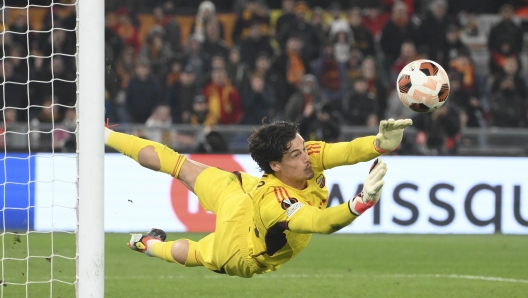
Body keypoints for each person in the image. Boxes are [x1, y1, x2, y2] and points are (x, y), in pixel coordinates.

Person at [104, 117, 412, 277]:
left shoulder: (305, 157)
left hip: (244, 192)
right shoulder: (277, 204)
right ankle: (149, 244)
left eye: (303, 147)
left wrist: (380, 143)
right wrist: (360, 203)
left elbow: (344, 151)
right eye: (296, 154)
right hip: (241, 249)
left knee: (182, 167)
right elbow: (320, 223)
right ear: (276, 165)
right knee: (200, 252)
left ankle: (149, 242)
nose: (307, 157)